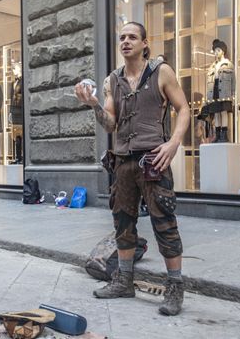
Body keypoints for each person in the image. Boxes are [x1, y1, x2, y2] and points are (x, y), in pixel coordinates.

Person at [75, 22, 190, 316]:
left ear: (144, 42)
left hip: (154, 160)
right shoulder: (112, 80)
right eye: (122, 37)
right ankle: (123, 280)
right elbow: (110, 123)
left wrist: (174, 143)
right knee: (122, 223)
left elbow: (184, 109)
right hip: (123, 162)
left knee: (164, 222)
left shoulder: (161, 72)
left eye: (132, 37)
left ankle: (175, 288)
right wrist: (94, 105)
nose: (126, 41)